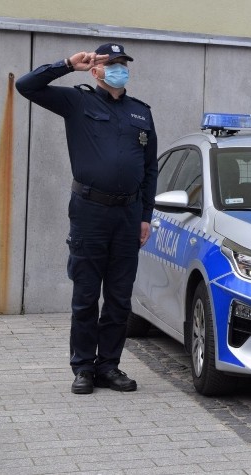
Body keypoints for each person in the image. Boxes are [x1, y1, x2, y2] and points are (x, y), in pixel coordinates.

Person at [16, 43, 157, 394]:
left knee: (119, 298)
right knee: (86, 295)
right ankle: (82, 367)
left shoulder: (141, 112)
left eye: (123, 64)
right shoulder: (77, 102)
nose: (118, 69)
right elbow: (26, 86)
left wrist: (145, 217)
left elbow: (150, 168)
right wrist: (66, 64)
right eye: (111, 64)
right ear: (95, 70)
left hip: (128, 214)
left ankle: (109, 366)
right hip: (90, 212)